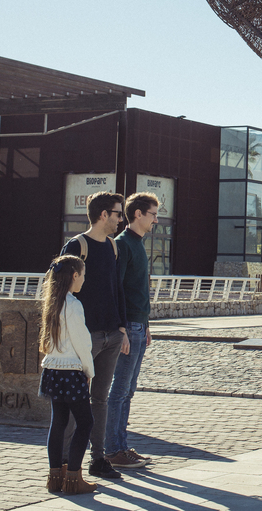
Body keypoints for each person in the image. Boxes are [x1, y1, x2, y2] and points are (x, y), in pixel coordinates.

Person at [60, 191, 130, 481]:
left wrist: (122, 329)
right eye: (118, 213)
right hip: (84, 338)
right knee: (74, 400)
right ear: (103, 215)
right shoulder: (77, 245)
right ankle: (64, 462)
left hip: (111, 335)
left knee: (99, 399)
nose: (121, 219)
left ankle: (97, 459)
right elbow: (57, 290)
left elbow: (117, 289)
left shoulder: (112, 246)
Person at [104, 192, 160, 470]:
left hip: (139, 326)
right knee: (119, 390)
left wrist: (146, 325)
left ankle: (121, 446)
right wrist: (122, 329)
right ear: (138, 214)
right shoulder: (123, 244)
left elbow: (138, 291)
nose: (156, 220)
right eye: (153, 214)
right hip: (128, 329)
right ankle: (112, 449)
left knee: (128, 390)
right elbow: (116, 290)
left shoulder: (138, 244)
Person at [38, 254, 96, 495]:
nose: (83, 279)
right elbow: (82, 343)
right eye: (82, 275)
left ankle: (55, 477)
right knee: (85, 422)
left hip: (52, 370)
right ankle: (73, 478)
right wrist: (89, 370)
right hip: (71, 372)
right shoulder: (73, 305)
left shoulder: (52, 302)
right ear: (74, 275)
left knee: (58, 423)